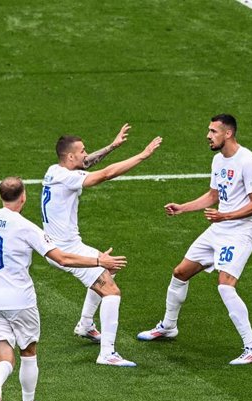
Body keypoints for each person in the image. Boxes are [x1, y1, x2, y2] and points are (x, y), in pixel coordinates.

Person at [0, 177, 127, 401]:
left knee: (5, 358)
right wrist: (99, 262)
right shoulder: (27, 227)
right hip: (21, 302)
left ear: (0, 196)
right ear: (23, 197)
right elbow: (62, 258)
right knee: (28, 353)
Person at [137, 114, 252, 365]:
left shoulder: (247, 160)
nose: (208, 135)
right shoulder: (218, 160)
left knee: (225, 284)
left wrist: (225, 215)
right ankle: (168, 326)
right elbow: (213, 195)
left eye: (213, 131)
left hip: (240, 231)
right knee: (180, 272)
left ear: (227, 134)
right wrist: (183, 208)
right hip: (220, 227)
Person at [41, 127, 162, 367]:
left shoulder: (55, 170)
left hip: (64, 245)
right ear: (70, 157)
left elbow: (87, 164)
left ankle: (86, 325)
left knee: (111, 268)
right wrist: (142, 155)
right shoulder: (67, 177)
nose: (86, 154)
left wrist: (113, 146)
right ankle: (107, 353)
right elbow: (104, 174)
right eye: (82, 151)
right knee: (112, 293)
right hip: (66, 251)